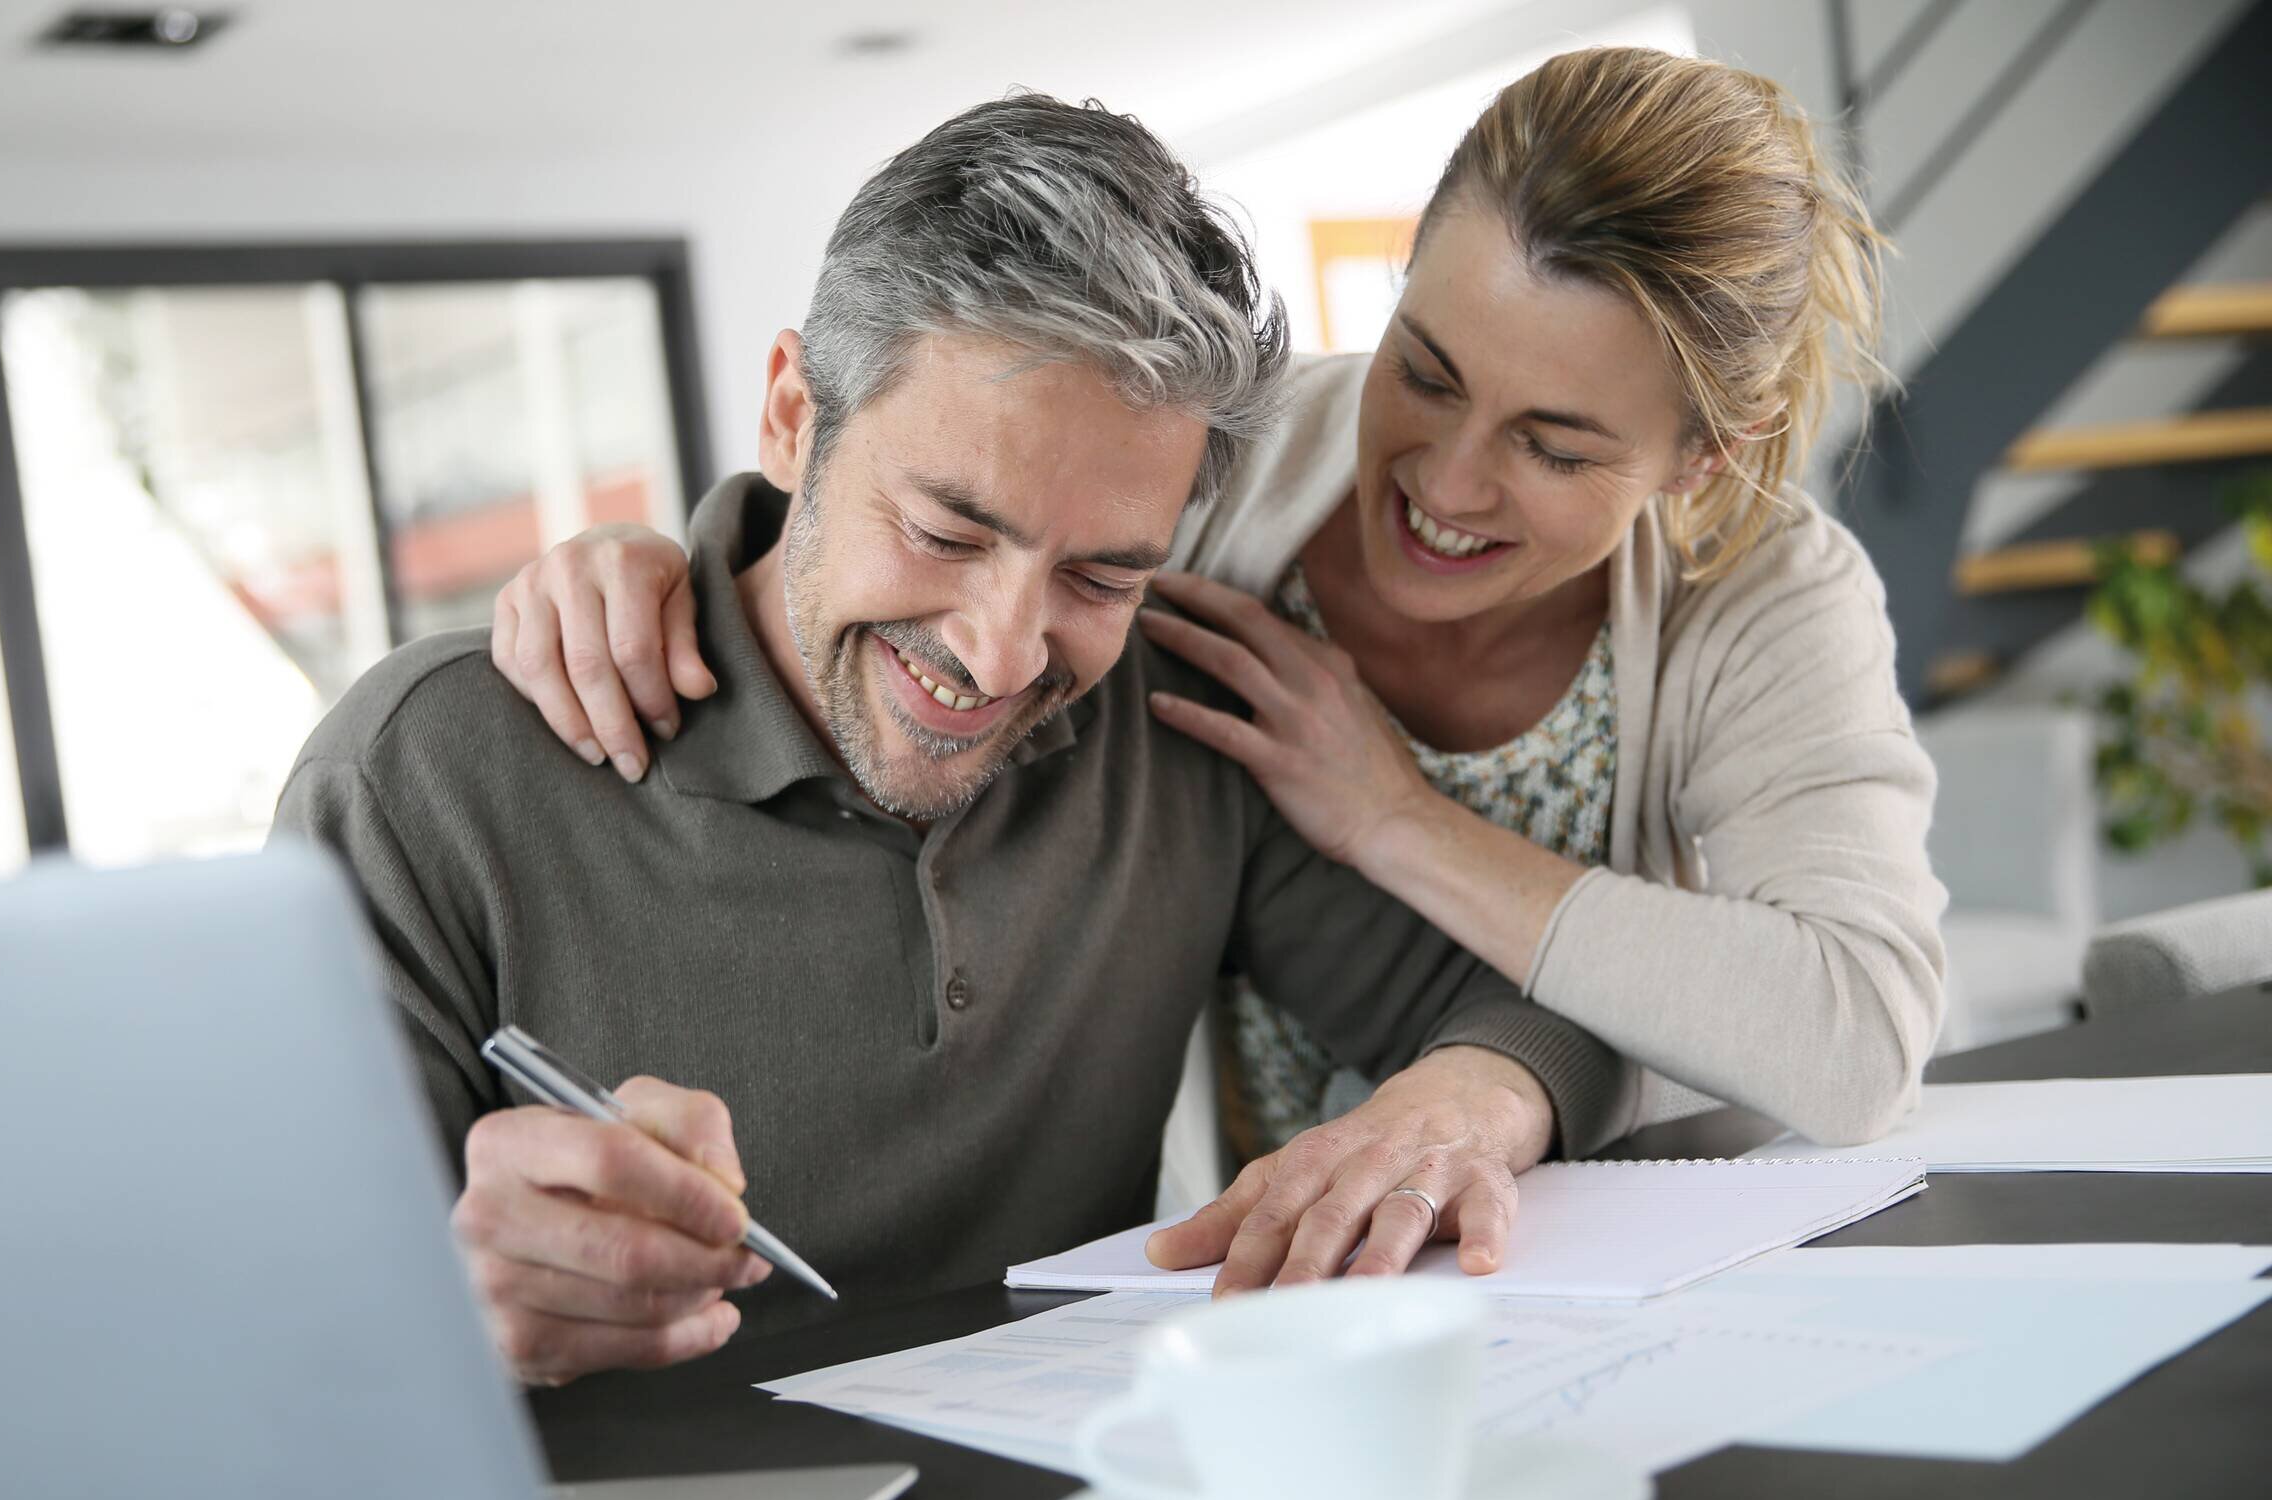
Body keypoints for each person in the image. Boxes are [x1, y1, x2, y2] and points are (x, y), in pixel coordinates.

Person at [273, 94, 1627, 1388]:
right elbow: (254, 1348)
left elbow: (1533, 1015)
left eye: (1100, 575)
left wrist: (1453, 1113)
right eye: (945, 533)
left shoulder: (1175, 725)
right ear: (796, 418)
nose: (999, 652)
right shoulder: (420, 779)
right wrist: (450, 1309)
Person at [485, 46, 1948, 1160]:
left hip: (1618, 1209)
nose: (1442, 478)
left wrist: (1393, 821)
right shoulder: (1215, 472)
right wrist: (655, 561)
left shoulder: (1765, 602)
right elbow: (938, 498)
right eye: (1424, 369)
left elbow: (1854, 1038)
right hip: (1281, 1245)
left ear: (1703, 457)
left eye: (1554, 446)